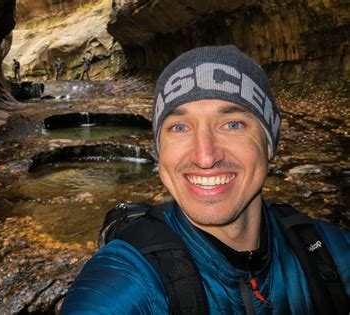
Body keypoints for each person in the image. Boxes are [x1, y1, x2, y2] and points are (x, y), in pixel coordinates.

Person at [60, 46, 350, 314]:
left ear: (269, 143)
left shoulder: (330, 252)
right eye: (180, 127)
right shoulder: (129, 281)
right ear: (160, 152)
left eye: (232, 124)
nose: (205, 156)